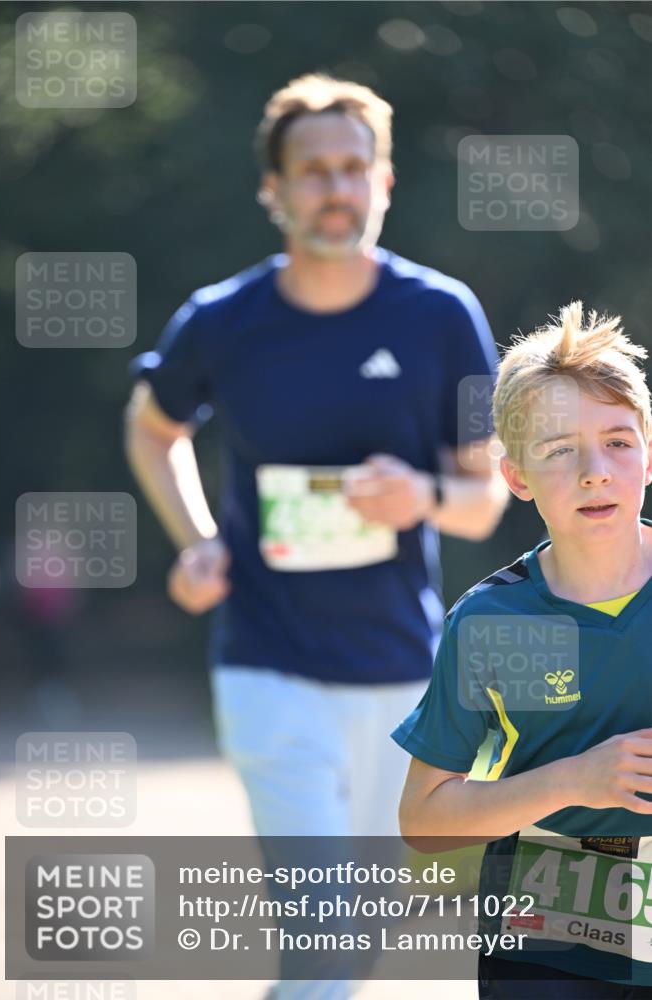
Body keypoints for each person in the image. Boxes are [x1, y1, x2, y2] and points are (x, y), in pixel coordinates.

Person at [125, 73, 506, 998]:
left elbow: (482, 499)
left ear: (384, 181)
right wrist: (199, 540)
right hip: (268, 666)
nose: (335, 188)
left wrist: (418, 493)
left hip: (400, 674)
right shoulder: (222, 320)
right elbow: (151, 427)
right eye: (312, 171)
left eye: (352, 167)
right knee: (324, 938)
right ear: (275, 190)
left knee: (358, 937)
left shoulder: (441, 315)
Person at [393, 301, 652, 998]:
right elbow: (423, 820)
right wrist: (575, 780)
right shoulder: (491, 621)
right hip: (548, 947)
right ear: (515, 477)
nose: (594, 471)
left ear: (649, 454)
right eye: (559, 450)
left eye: (617, 442)